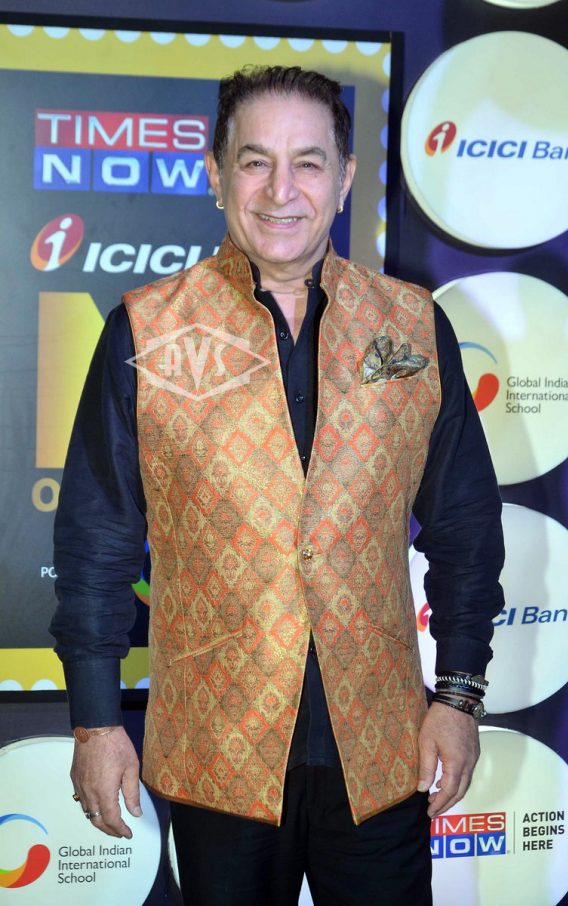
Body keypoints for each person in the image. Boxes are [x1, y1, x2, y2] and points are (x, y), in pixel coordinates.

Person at [51, 65, 504, 905]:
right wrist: (95, 720)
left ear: (345, 176)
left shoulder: (412, 326)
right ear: (216, 173)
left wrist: (460, 695)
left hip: (381, 753)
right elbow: (96, 542)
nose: (281, 190)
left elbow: (466, 530)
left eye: (308, 162)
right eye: (255, 161)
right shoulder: (146, 331)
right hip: (217, 754)